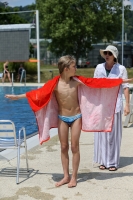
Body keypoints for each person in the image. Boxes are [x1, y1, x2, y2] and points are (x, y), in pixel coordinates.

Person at [5, 55, 133, 187]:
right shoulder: (54, 84)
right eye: (74, 66)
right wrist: (18, 96)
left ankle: (74, 177)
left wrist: (122, 81)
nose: (76, 68)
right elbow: (38, 93)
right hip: (62, 118)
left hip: (76, 117)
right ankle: (66, 176)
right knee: (64, 147)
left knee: (74, 147)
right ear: (66, 69)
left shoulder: (77, 81)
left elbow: (97, 83)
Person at [94, 45, 130, 171]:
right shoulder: (99, 67)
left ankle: (113, 162)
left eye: (109, 53)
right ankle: (103, 160)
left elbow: (125, 86)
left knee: (114, 134)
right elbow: (94, 85)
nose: (107, 55)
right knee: (102, 134)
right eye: (105, 53)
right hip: (102, 105)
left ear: (114, 55)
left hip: (116, 104)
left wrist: (127, 105)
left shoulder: (121, 69)